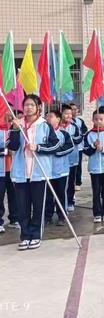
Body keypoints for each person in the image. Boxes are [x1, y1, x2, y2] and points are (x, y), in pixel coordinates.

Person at [8, 95, 60, 250]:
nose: (28, 107)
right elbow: (13, 146)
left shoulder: (44, 125)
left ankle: (36, 235)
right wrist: (16, 130)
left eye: (32, 104)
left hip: (39, 172)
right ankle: (25, 235)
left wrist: (38, 148)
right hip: (20, 172)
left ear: (38, 107)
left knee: (38, 207)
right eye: (26, 105)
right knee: (22, 207)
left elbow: (55, 145)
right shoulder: (18, 124)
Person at [83, 109, 104, 223]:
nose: (99, 121)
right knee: (96, 192)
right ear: (93, 120)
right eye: (96, 119)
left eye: (101, 119)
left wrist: (102, 149)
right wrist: (93, 145)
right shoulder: (88, 135)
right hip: (95, 169)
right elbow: (86, 151)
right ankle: (97, 213)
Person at [45, 109, 74, 226]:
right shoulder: (43, 133)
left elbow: (70, 147)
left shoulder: (64, 133)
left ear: (58, 119)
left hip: (61, 171)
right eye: (46, 117)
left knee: (61, 194)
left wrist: (57, 151)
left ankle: (62, 215)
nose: (47, 119)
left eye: (50, 116)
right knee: (47, 195)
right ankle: (47, 216)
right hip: (46, 171)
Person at [61, 104, 82, 213]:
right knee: (61, 184)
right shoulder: (57, 126)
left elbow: (79, 138)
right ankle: (60, 203)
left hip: (72, 159)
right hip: (59, 160)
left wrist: (67, 138)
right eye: (66, 113)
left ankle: (70, 201)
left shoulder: (74, 126)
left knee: (71, 182)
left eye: (70, 113)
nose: (69, 115)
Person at [70, 103, 88, 191]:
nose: (75, 111)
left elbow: (85, 130)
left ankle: (78, 182)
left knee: (78, 165)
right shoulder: (67, 121)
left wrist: (80, 135)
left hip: (79, 147)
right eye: (72, 109)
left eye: (75, 109)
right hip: (70, 148)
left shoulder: (80, 120)